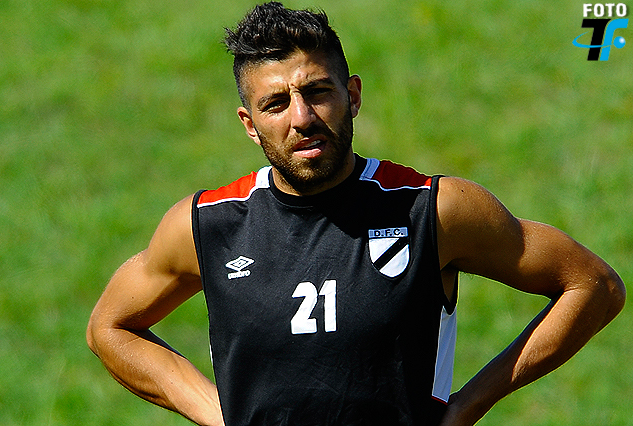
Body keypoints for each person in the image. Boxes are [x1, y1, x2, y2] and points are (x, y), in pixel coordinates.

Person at [86, 3, 626, 426]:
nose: (302, 117)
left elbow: (593, 285)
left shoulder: (432, 209)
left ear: (353, 96)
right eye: (276, 104)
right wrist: (216, 412)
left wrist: (467, 406)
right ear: (250, 124)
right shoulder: (207, 224)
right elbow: (110, 327)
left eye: (318, 92)